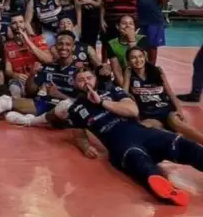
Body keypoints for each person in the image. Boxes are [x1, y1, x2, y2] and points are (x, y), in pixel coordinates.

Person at [58, 68, 203, 206]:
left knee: (182, 144)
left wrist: (102, 102)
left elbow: (133, 111)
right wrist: (85, 147)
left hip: (143, 133)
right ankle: (168, 192)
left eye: (89, 78)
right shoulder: (75, 108)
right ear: (75, 84)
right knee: (140, 163)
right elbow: (78, 134)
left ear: (95, 79)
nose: (86, 82)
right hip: (120, 144)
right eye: (81, 80)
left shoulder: (112, 90)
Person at [124, 46, 203, 145]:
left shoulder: (157, 71)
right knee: (142, 129)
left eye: (140, 56)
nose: (138, 60)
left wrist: (179, 110)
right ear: (128, 62)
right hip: (149, 115)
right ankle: (178, 140)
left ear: (145, 57)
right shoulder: (130, 76)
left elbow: (170, 93)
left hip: (166, 110)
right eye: (133, 57)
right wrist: (126, 78)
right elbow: (124, 96)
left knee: (177, 123)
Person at [4, 14, 53, 98]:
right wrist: (15, 75)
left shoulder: (38, 39)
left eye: (21, 22)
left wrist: (27, 40)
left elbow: (48, 59)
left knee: (44, 89)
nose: (18, 25)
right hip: (20, 80)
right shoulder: (7, 46)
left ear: (25, 24)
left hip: (36, 79)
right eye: (14, 23)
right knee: (14, 88)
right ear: (10, 26)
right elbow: (8, 70)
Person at [106, 15, 148, 88]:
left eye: (131, 23)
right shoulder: (112, 44)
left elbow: (140, 64)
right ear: (117, 26)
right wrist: (125, 89)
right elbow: (117, 71)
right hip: (123, 80)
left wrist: (132, 40)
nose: (128, 26)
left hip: (142, 78)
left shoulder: (142, 39)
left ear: (134, 27)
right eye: (124, 23)